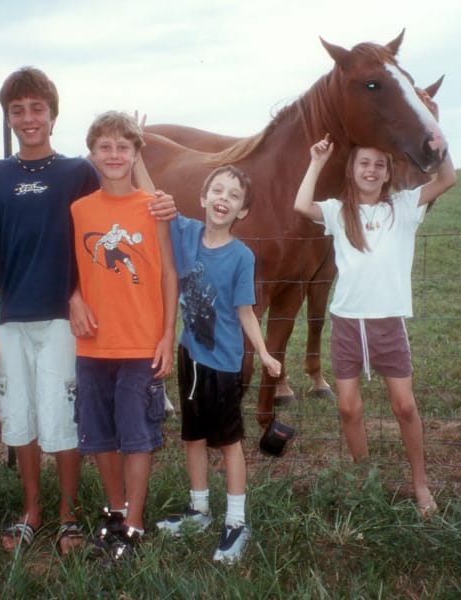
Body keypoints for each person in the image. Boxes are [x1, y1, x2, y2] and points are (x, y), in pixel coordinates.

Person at [0, 68, 177, 556]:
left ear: (53, 113)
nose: (28, 118)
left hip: (63, 318)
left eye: (37, 108)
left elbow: (110, 212)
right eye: (18, 110)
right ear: (8, 118)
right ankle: (32, 508)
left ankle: (70, 515)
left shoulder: (78, 170)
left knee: (62, 418)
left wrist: (75, 293)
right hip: (10, 313)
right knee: (19, 417)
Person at [293, 93, 457, 519]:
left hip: (388, 323)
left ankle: (420, 485)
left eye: (379, 165)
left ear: (387, 174)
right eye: (364, 163)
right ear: (352, 169)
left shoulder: (402, 208)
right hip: (348, 323)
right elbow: (300, 205)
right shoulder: (336, 210)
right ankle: (364, 481)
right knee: (348, 407)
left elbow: (444, 182)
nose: (371, 170)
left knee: (404, 405)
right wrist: (314, 162)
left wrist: (440, 144)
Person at [153, 164, 282, 563]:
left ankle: (237, 523)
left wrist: (262, 352)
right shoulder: (186, 232)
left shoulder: (242, 257)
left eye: (234, 196)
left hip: (224, 366)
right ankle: (199, 511)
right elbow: (152, 193)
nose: (224, 199)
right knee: (192, 436)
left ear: (241, 211)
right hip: (189, 355)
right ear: (204, 198)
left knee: (228, 443)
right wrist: (137, 148)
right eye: (218, 191)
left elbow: (245, 311)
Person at [69, 111, 178, 560]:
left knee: (137, 436)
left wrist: (167, 335)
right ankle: (114, 510)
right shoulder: (79, 210)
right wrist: (73, 297)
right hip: (93, 344)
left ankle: (134, 523)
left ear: (136, 154)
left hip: (140, 344)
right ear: (92, 154)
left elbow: (169, 274)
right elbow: (72, 267)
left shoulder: (154, 207)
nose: (114, 155)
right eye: (104, 147)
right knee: (99, 435)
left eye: (123, 147)